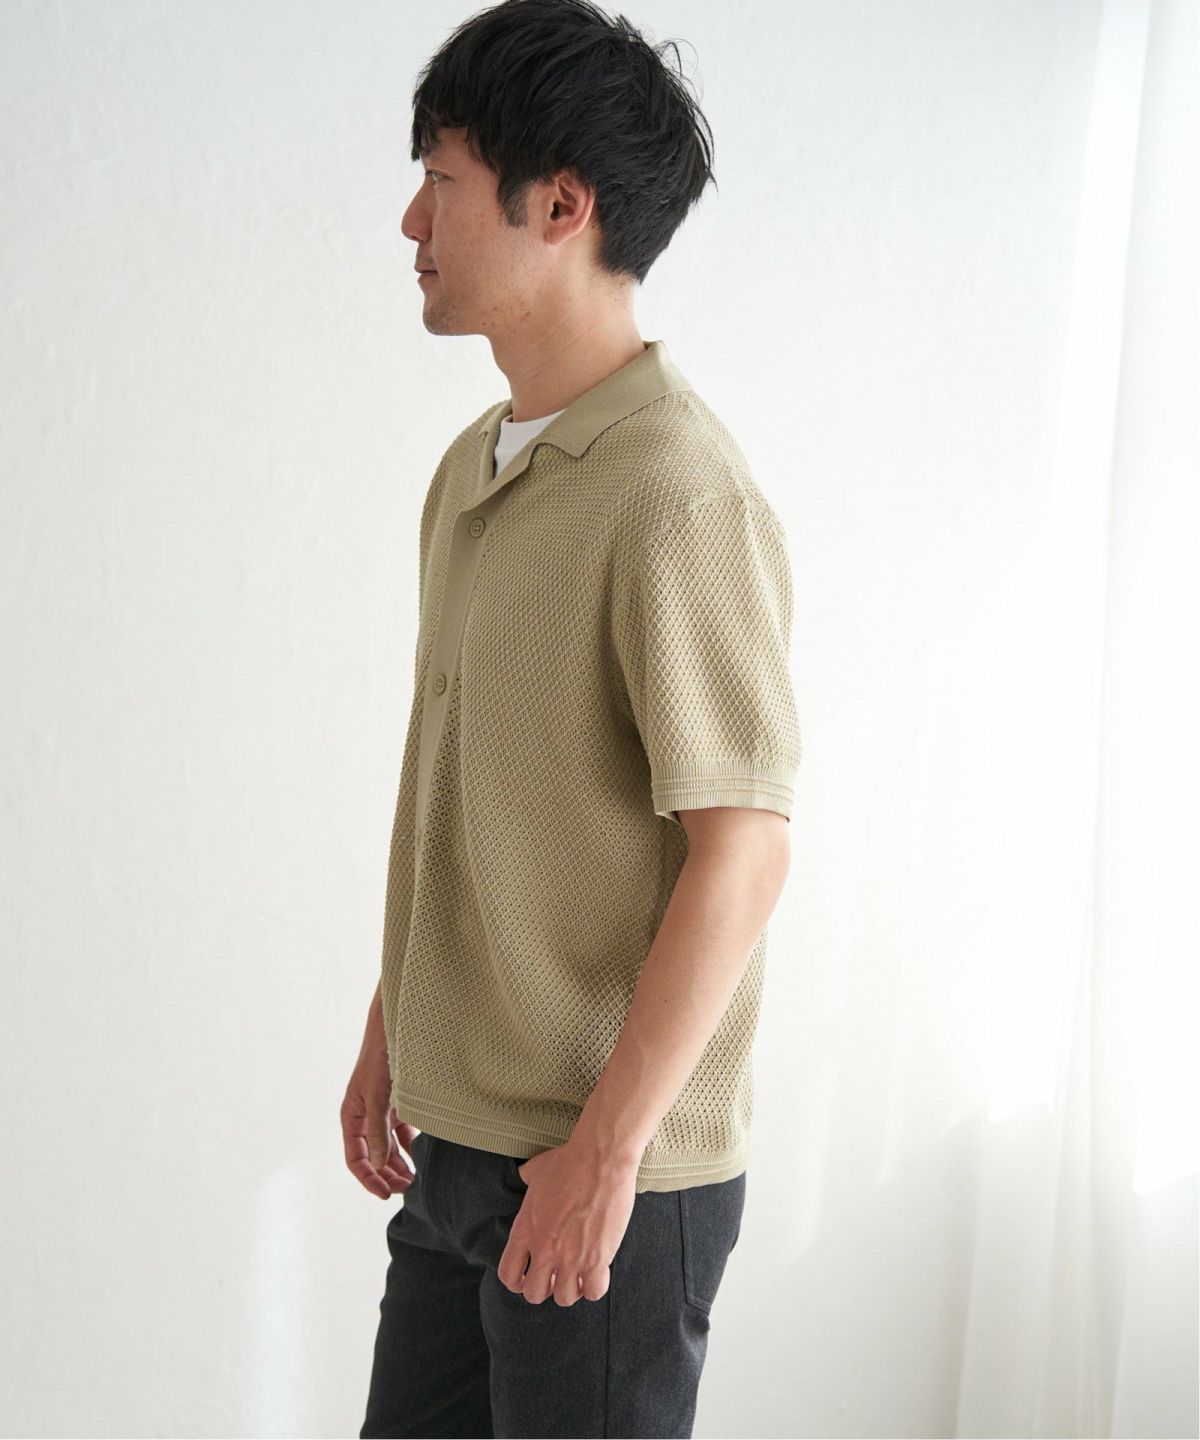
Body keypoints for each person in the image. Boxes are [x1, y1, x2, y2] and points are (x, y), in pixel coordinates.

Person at [342, 2, 802, 1434]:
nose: (412, 219)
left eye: (442, 179)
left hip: (605, 1170)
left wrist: (608, 1155)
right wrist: (397, 1026)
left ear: (561, 205)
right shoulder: (472, 472)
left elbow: (744, 851)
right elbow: (476, 793)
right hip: (461, 1142)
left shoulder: (676, 491)